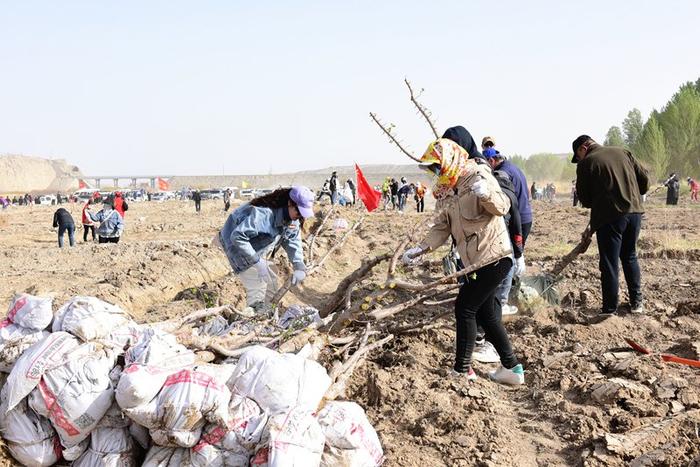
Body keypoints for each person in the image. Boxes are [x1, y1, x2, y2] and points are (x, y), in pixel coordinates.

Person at [402, 138, 524, 385]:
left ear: (449, 160)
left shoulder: (477, 174)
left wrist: (487, 193)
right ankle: (512, 369)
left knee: (465, 307)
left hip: (494, 256)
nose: (435, 173)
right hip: (474, 263)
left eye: (437, 166)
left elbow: (502, 207)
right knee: (487, 314)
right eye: (432, 169)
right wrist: (421, 248)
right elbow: (441, 226)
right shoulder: (446, 190)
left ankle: (462, 370)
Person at [572, 134, 649, 316]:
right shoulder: (624, 152)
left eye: (578, 156)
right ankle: (637, 304)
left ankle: (609, 309)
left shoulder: (586, 163)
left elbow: (585, 199)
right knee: (630, 256)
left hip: (610, 218)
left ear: (583, 148)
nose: (579, 160)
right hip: (635, 213)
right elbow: (644, 181)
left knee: (609, 262)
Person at [217, 186, 314, 316]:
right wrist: (257, 262)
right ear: (290, 203)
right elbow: (238, 237)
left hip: (254, 244)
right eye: (299, 212)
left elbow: (292, 240)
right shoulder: (264, 215)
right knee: (257, 286)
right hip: (234, 244)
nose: (300, 216)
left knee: (271, 282)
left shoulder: (294, 219)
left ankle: (267, 314)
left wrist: (299, 265)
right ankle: (250, 321)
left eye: (303, 213)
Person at [480, 144, 533, 245]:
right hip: (526, 216)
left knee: (512, 253)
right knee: (517, 252)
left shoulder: (501, 173)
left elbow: (500, 201)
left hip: (517, 221)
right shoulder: (513, 167)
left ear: (491, 160)